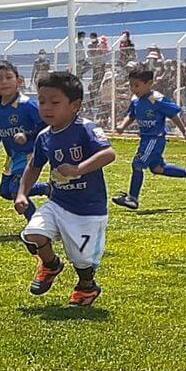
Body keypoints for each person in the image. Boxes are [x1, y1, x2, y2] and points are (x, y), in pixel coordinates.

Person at [14, 71, 116, 307]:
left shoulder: (86, 128)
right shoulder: (43, 137)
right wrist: (22, 193)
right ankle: (50, 265)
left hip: (89, 209)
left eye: (55, 102)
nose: (46, 107)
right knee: (32, 234)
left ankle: (87, 288)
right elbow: (33, 167)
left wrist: (78, 168)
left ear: (75, 105)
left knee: (82, 259)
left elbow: (108, 153)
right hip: (58, 203)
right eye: (42, 101)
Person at [112, 67, 186, 211]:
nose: (133, 89)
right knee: (157, 168)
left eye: (136, 85)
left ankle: (133, 198)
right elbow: (132, 115)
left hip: (154, 139)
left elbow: (173, 115)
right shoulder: (136, 100)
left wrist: (184, 132)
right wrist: (122, 126)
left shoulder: (156, 99)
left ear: (149, 84)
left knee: (137, 164)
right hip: (146, 139)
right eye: (131, 85)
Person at [0, 61, 49, 221]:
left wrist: (27, 135)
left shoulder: (27, 105)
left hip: (29, 153)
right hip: (13, 156)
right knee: (5, 191)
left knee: (16, 189)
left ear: (18, 81)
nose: (4, 82)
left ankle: (36, 223)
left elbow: (44, 124)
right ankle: (48, 188)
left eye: (8, 77)